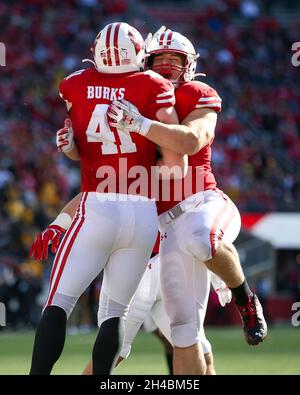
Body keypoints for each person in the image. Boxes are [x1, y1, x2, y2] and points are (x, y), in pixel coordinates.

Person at [29, 22, 188, 375]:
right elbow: (177, 164)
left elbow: (85, 150)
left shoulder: (74, 85)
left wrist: (71, 149)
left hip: (98, 206)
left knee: (59, 303)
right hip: (143, 213)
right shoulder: (154, 85)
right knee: (114, 313)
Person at [107, 27, 268, 374]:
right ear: (143, 63)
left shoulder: (196, 93)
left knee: (200, 237)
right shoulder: (135, 101)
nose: (166, 65)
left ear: (189, 65)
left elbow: (193, 140)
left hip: (204, 202)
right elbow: (109, 173)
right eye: (158, 59)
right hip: (164, 229)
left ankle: (246, 300)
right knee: (183, 331)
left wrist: (142, 123)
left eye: (174, 60)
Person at [31, 202, 231, 375]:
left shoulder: (172, 172)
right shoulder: (153, 168)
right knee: (112, 352)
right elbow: (89, 194)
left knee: (202, 355)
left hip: (170, 264)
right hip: (145, 267)